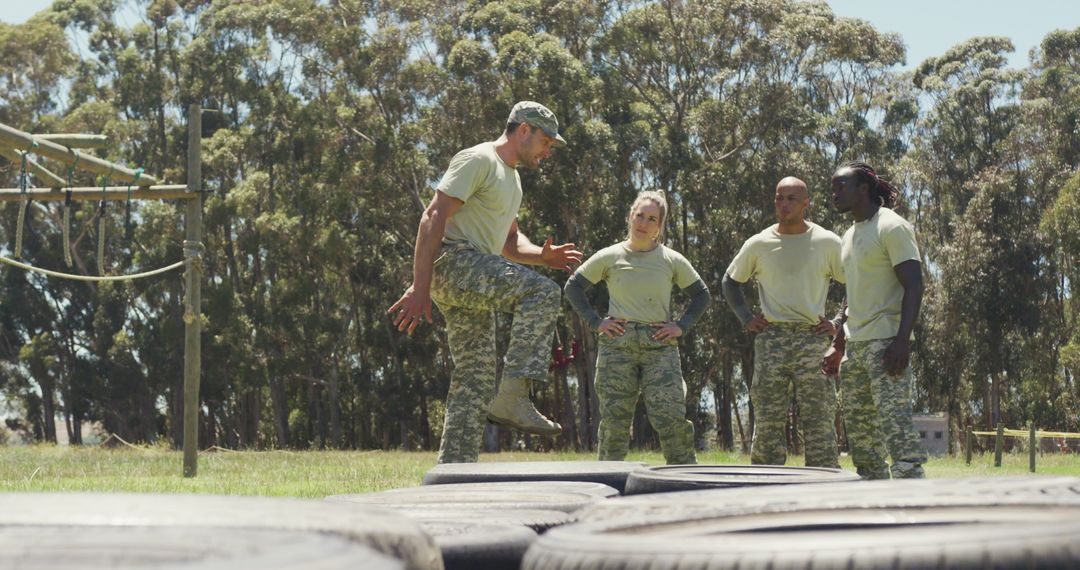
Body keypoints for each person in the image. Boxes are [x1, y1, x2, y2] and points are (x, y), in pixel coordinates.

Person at [387, 101, 582, 464]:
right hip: (455, 262)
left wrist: (542, 255)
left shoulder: (514, 180)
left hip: (475, 272)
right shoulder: (478, 159)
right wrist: (420, 286)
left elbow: (510, 244)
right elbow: (433, 216)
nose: (547, 151)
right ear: (523, 129)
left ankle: (453, 472)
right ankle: (515, 396)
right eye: (546, 141)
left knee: (474, 380)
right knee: (542, 292)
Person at [563, 190, 709, 465]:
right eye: (640, 215)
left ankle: (685, 478)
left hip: (660, 347)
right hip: (618, 345)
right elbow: (574, 287)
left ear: (659, 226)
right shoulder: (610, 256)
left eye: (651, 219)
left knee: (669, 417)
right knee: (615, 421)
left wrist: (681, 326)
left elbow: (702, 295)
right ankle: (608, 482)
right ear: (631, 216)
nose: (643, 223)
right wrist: (597, 322)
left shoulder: (671, 259)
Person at [722, 177, 844, 469]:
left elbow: (855, 283)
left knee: (819, 419)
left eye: (792, 199)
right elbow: (730, 281)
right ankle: (765, 486)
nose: (784, 204)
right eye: (779, 198)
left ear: (806, 203)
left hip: (812, 339)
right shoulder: (759, 243)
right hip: (771, 338)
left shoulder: (827, 242)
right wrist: (746, 318)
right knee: (767, 420)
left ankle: (825, 487)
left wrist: (838, 322)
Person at [823, 160, 927, 479]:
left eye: (841, 187)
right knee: (861, 434)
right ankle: (873, 497)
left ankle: (913, 493)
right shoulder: (848, 236)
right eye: (832, 189)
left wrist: (900, 341)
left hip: (886, 344)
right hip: (856, 347)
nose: (834, 194)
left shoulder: (891, 226)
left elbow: (914, 284)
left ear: (863, 189)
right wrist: (838, 344)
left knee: (895, 426)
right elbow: (852, 294)